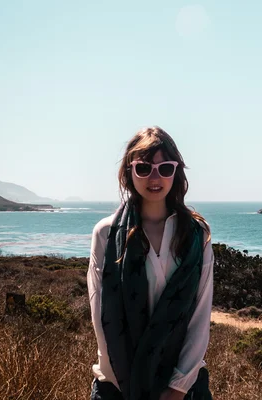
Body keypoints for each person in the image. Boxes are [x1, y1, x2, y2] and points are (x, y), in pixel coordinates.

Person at [87, 126, 214, 400]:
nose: (154, 177)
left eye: (165, 168)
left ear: (176, 172)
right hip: (116, 386)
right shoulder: (106, 234)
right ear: (129, 171)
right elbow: (101, 317)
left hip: (185, 388)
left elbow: (200, 315)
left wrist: (178, 387)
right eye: (144, 168)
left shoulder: (196, 235)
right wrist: (129, 385)